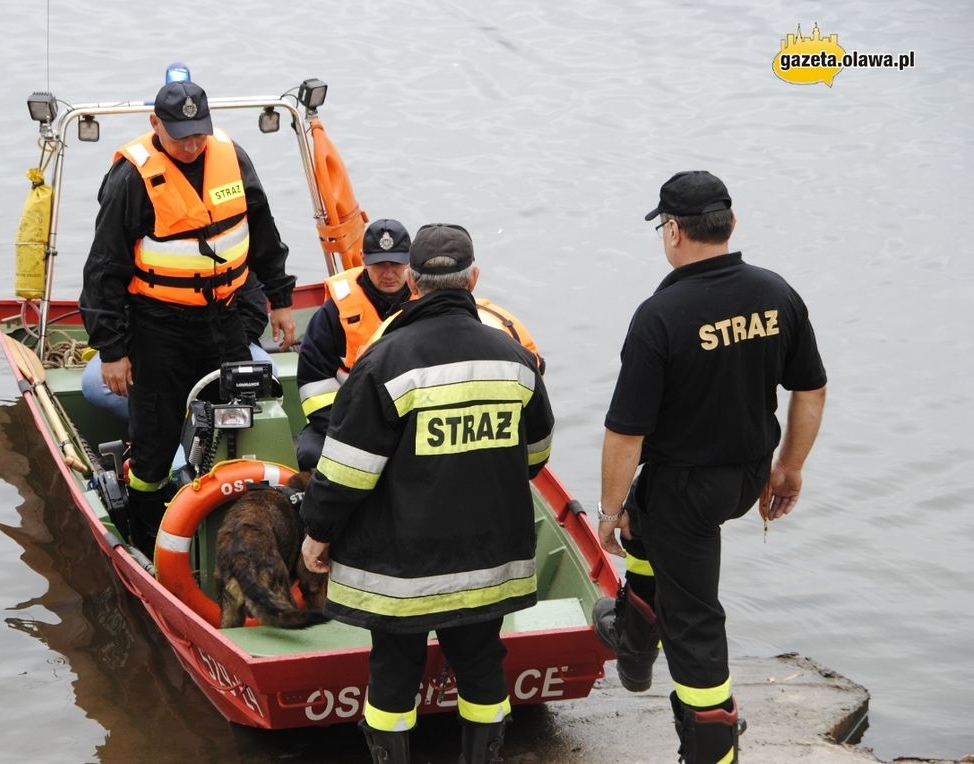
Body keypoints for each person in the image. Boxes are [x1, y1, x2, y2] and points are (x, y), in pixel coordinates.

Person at [298, 224, 555, 764]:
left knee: (393, 675)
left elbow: (346, 472)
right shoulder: (514, 357)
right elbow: (536, 455)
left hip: (401, 572)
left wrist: (317, 534)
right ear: (474, 280)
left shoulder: (385, 360)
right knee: (484, 669)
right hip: (491, 562)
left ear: (412, 283)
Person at [594, 171, 827, 764]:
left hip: (686, 491)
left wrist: (607, 511)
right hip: (746, 476)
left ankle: (712, 747)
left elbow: (626, 432)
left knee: (695, 623)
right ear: (731, 222)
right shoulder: (776, 293)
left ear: (672, 230)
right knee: (645, 521)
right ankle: (636, 636)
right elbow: (810, 388)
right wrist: (789, 468)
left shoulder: (661, 315)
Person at [79, 79, 296, 556]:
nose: (193, 145)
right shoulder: (131, 179)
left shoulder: (231, 157)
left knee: (241, 422)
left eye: (199, 133)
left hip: (227, 319)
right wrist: (112, 352)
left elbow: (262, 231)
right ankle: (149, 538)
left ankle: (237, 531)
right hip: (158, 328)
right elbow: (103, 272)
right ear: (155, 124)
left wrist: (279, 299)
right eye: (181, 135)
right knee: (153, 442)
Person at [295, 218, 415, 470]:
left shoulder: (426, 304)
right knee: (309, 453)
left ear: (410, 262)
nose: (389, 273)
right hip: (346, 422)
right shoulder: (333, 313)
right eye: (379, 264)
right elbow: (314, 387)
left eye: (396, 263)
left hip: (411, 423)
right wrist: (353, 433)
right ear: (363, 259)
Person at [81, 272, 274, 422]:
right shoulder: (133, 246)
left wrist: (212, 346)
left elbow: (254, 312)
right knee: (94, 384)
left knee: (267, 373)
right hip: (145, 344)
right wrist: (117, 350)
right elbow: (100, 300)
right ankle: (170, 426)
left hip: (224, 345)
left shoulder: (228, 246)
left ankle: (212, 425)